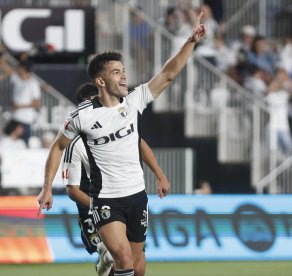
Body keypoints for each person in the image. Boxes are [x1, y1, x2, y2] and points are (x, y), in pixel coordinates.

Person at [37, 12, 206, 276]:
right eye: (117, 73)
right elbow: (58, 147)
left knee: (137, 267)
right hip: (106, 199)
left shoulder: (134, 101)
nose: (124, 77)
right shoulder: (82, 116)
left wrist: (191, 41)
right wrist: (46, 187)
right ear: (101, 81)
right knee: (124, 259)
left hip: (137, 195)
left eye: (124, 71)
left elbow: (168, 74)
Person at [62, 83, 169, 276]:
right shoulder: (75, 143)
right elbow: (73, 190)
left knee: (137, 263)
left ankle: (105, 263)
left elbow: (139, 143)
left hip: (127, 196)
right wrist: (98, 205)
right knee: (117, 257)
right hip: (96, 204)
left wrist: (159, 175)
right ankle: (104, 260)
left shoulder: (117, 126)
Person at [0, 56, 41, 145]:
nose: (16, 68)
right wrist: (3, 56)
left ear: (23, 69)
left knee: (24, 146)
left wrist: (19, 106)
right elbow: (4, 67)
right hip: (14, 117)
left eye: (18, 67)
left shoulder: (33, 83)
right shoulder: (17, 79)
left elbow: (37, 103)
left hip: (25, 120)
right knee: (5, 141)